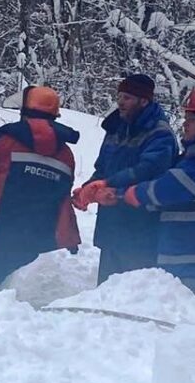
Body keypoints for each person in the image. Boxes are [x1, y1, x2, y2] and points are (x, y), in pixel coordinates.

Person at [122, 86, 195, 304]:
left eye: (192, 120)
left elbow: (173, 188)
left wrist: (134, 193)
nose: (185, 124)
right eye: (186, 118)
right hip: (185, 258)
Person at [0, 86, 81, 287]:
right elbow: (62, 198)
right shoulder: (66, 155)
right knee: (17, 301)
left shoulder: (4, 139)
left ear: (24, 110)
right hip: (35, 243)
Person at [73, 74, 178, 285]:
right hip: (111, 224)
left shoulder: (160, 133)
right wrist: (88, 189)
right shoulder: (116, 129)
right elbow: (102, 167)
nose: (120, 102)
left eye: (127, 97)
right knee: (106, 288)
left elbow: (148, 169)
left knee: (133, 290)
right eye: (119, 96)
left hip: (141, 226)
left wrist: (107, 184)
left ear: (144, 101)